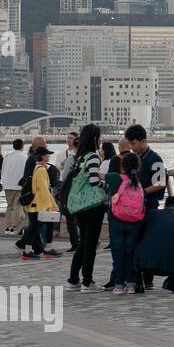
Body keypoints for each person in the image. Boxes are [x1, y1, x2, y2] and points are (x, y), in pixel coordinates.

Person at [66, 124, 108, 291]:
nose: (101, 140)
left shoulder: (79, 157)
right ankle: (87, 281)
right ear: (94, 139)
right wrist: (108, 186)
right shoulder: (93, 157)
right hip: (92, 207)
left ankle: (73, 279)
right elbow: (94, 181)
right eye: (100, 137)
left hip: (79, 207)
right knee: (90, 245)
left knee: (84, 243)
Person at [104, 151, 146, 293]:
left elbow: (99, 175)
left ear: (122, 166)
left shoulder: (116, 178)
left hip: (117, 220)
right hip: (134, 220)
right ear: (138, 167)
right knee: (131, 252)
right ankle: (131, 284)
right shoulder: (138, 182)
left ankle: (119, 285)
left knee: (118, 252)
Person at [19, 146, 60, 261]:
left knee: (36, 227)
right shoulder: (41, 170)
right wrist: (50, 205)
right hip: (39, 204)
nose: (49, 156)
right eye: (47, 155)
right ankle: (35, 250)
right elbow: (43, 189)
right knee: (36, 227)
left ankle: (41, 248)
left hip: (36, 204)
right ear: (42, 156)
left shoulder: (38, 168)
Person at [1, 137, 27, 236]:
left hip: (8, 185)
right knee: (17, 207)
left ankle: (7, 227)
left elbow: (3, 171)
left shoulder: (7, 157)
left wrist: (4, 182)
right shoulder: (24, 158)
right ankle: (14, 227)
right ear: (22, 146)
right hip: (19, 186)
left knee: (9, 206)